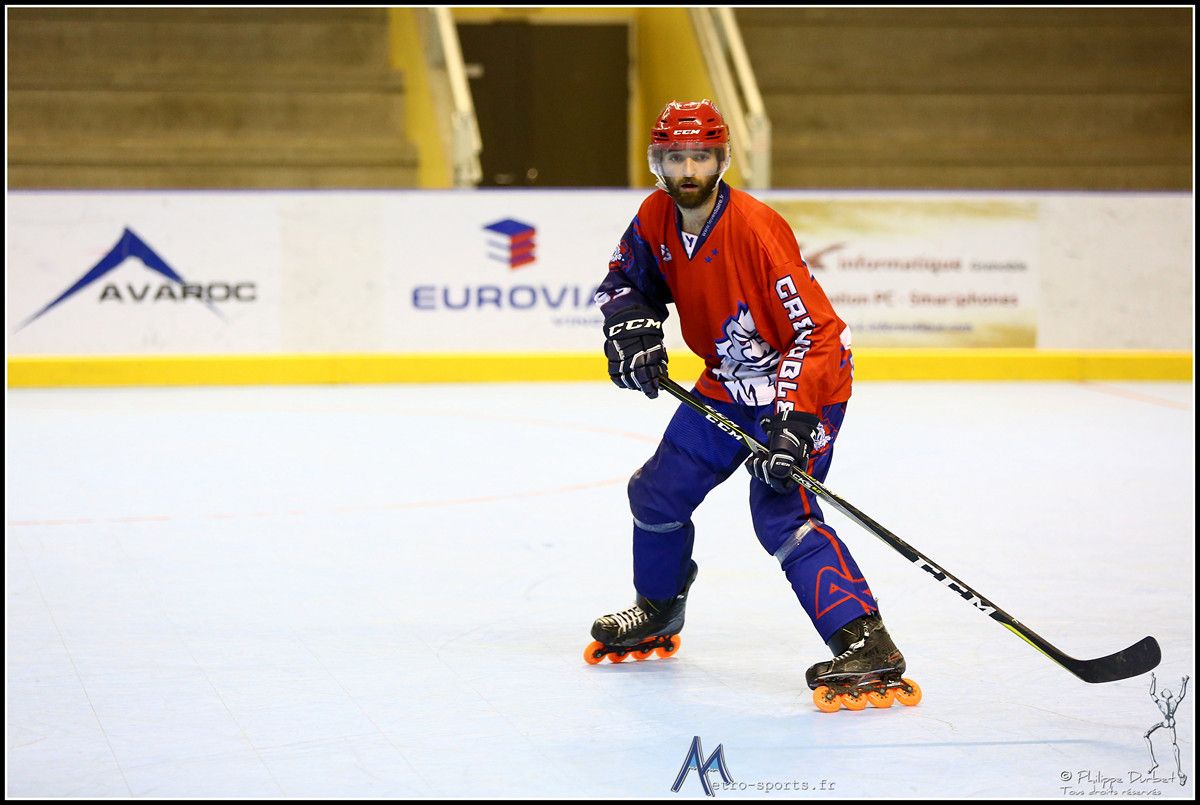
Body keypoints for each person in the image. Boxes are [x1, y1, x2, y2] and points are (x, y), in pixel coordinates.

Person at [586, 99, 909, 704]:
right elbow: (625, 281)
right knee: (656, 492)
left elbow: (818, 333)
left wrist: (794, 424)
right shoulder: (654, 216)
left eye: (700, 157)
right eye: (675, 158)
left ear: (721, 160)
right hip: (728, 381)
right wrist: (631, 327)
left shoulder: (757, 229)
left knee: (782, 514)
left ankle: (865, 640)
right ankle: (658, 606)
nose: (688, 170)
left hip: (802, 382)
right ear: (657, 162)